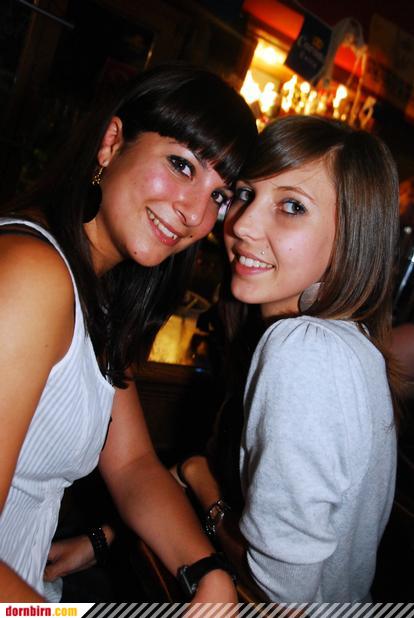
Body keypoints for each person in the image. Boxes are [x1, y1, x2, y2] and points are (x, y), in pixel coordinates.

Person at [0, 63, 257, 602]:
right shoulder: (33, 275)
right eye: (182, 165)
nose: (194, 214)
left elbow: (134, 464)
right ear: (111, 143)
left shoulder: (95, 294)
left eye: (219, 196)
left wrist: (209, 573)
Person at [175, 114, 403, 603]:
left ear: (350, 239)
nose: (241, 224)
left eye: (292, 206)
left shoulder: (304, 351)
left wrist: (199, 480)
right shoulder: (348, 345)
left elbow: (281, 591)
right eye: (245, 194)